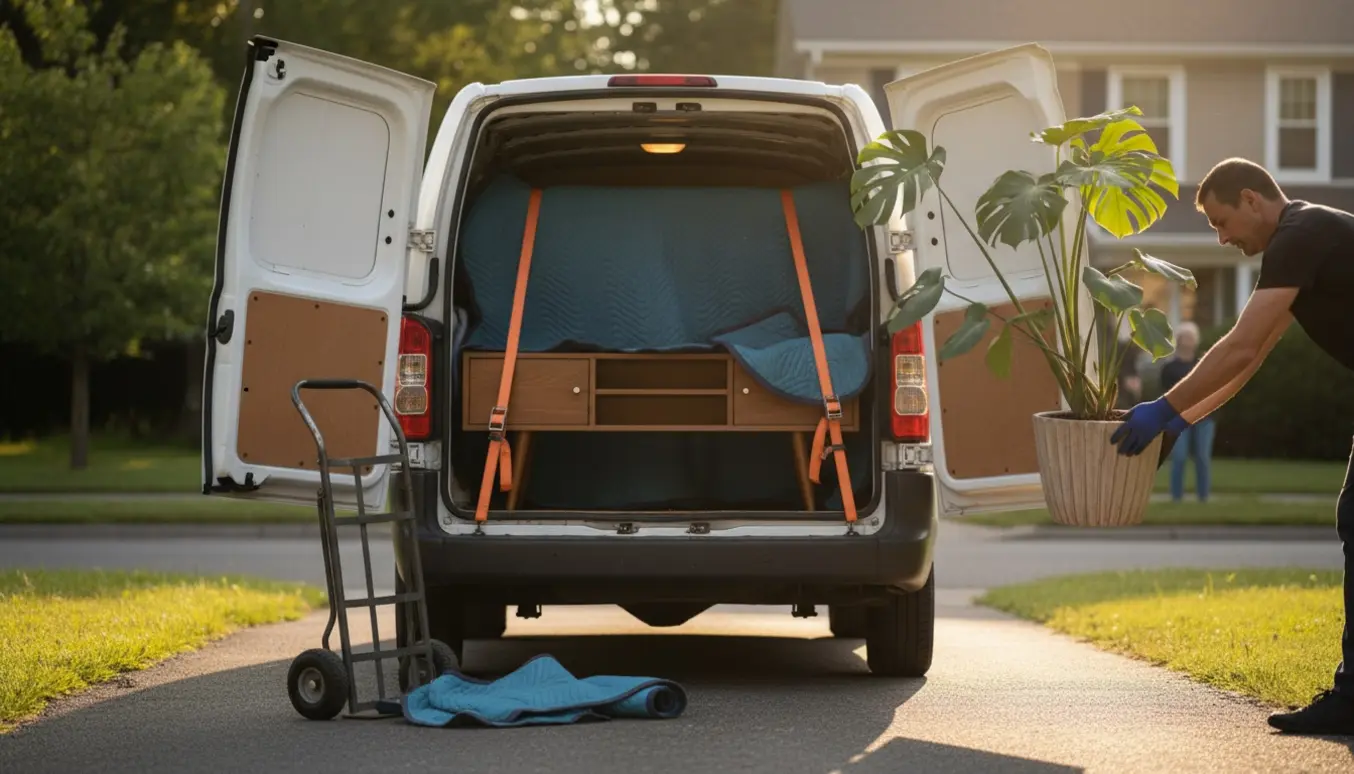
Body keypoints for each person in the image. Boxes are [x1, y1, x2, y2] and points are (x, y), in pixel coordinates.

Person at [1109, 157, 1354, 736]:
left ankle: (1351, 698)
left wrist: (1165, 406)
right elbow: (1254, 355)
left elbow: (1240, 346)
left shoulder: (1300, 233)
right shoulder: (1301, 244)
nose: (1221, 238)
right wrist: (1181, 419)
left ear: (1251, 199)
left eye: (1222, 222)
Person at [1158, 322, 1216, 502]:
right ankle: (1176, 497)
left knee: (1202, 458)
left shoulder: (1203, 364)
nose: (1188, 340)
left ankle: (1203, 497)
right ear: (1179, 340)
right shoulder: (1169, 368)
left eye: (1191, 337)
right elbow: (1165, 395)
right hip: (1178, 418)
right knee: (1179, 457)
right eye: (1185, 337)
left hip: (1204, 417)